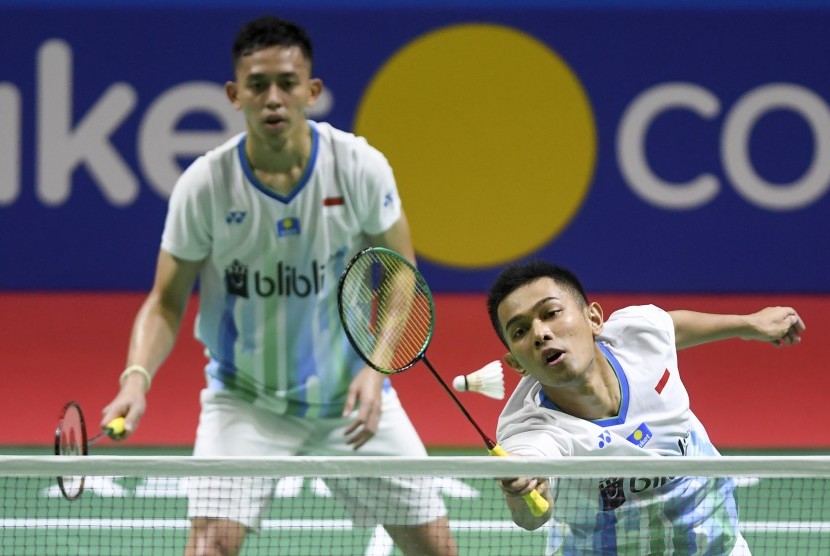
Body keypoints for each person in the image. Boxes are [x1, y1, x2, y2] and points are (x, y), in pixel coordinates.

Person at [101, 15, 457, 556]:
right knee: (208, 547)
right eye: (258, 84)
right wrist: (135, 378)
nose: (273, 98)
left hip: (351, 402)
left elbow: (402, 274)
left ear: (311, 91)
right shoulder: (205, 185)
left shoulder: (359, 166)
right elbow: (166, 302)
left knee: (436, 549)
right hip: (247, 400)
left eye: (287, 83)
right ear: (233, 93)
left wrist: (375, 365)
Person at [485, 260, 805, 555]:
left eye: (551, 312)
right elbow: (530, 516)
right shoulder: (528, 430)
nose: (540, 333)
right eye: (520, 331)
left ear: (594, 319)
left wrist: (749, 324)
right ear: (516, 364)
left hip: (710, 540)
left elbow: (671, 327)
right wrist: (521, 491)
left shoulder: (638, 332)